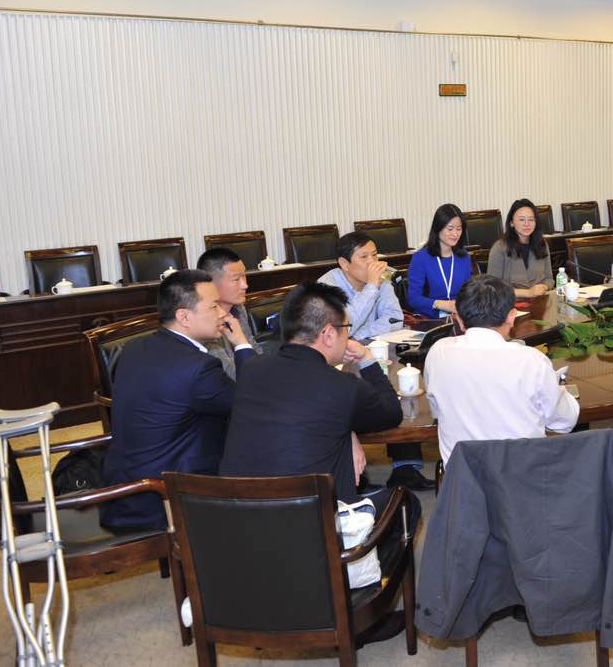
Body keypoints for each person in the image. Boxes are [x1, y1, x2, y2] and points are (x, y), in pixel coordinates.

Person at [220, 281, 416, 646]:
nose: (347, 337)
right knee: (405, 501)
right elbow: (390, 413)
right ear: (328, 334)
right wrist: (368, 360)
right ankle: (361, 617)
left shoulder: (253, 371)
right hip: (309, 534)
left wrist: (347, 432)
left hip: (238, 528)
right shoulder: (342, 386)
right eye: (346, 329)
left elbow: (301, 416)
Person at [101, 270, 252, 531]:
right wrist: (241, 344)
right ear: (184, 316)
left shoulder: (134, 348)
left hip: (123, 490)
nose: (223, 314)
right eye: (213, 306)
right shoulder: (198, 368)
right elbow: (251, 402)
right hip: (164, 499)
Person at [425, 276, 579, 465]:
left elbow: (436, 411)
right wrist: (560, 390)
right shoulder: (531, 360)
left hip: (463, 477)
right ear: (512, 316)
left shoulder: (438, 353)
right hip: (524, 476)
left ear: (460, 320)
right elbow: (564, 422)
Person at [318, 231, 403, 342]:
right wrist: (372, 287)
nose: (372, 262)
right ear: (344, 264)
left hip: (366, 345)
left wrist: (358, 336)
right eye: (364, 257)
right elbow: (343, 328)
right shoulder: (326, 287)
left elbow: (395, 318)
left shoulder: (380, 278)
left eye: (374, 255)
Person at [197, 247, 262, 378]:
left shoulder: (238, 308)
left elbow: (252, 347)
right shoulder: (204, 322)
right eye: (236, 279)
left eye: (244, 276)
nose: (245, 285)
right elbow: (228, 375)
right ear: (210, 284)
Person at [407, 204, 474, 318]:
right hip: (430, 319)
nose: (455, 234)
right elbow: (413, 299)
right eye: (450, 229)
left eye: (459, 229)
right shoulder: (421, 258)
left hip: (460, 317)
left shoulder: (464, 257)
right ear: (438, 228)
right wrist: (441, 304)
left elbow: (469, 293)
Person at [486, 198, 554, 297]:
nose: (527, 224)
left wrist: (544, 287)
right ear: (511, 223)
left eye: (531, 219)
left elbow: (549, 279)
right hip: (510, 302)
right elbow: (493, 287)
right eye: (522, 219)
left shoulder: (542, 244)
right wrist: (528, 293)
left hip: (539, 300)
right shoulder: (499, 248)